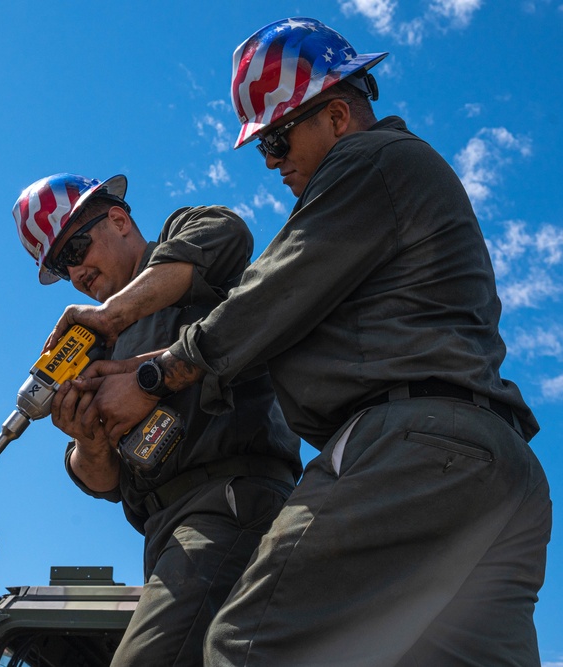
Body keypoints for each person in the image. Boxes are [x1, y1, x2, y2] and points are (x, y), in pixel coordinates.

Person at [61, 18, 552, 666]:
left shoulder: (367, 162)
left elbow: (271, 295)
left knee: (249, 644)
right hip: (497, 467)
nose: (273, 164)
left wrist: (155, 375)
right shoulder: (397, 184)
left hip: (410, 446)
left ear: (338, 114)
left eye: (278, 140)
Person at [12, 173, 301, 666]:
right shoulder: (91, 350)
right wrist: (90, 439)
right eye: (61, 267)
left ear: (119, 221)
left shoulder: (181, 247)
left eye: (76, 248)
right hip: (165, 533)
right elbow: (99, 481)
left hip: (230, 498)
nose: (75, 271)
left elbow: (228, 233)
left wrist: (113, 316)